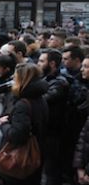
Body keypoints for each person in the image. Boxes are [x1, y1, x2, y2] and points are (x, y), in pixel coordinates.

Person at [0, 63, 49, 185]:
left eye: (15, 78)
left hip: (21, 158)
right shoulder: (41, 98)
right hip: (37, 153)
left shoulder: (23, 104)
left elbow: (17, 135)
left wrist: (3, 125)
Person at [37, 50, 69, 185]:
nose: (38, 64)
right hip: (42, 130)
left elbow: (46, 99)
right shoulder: (42, 78)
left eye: (41, 61)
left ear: (52, 63)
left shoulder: (59, 82)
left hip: (53, 133)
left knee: (50, 171)